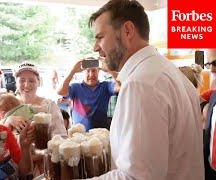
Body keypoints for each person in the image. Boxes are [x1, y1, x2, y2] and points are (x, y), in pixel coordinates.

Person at [88, 0, 203, 179]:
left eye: (100, 37)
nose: (95, 47)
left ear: (127, 30)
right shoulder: (169, 72)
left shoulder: (141, 84)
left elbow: (136, 176)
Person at [6, 62, 67, 177]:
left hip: (43, 167)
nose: (26, 84)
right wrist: (9, 120)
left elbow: (61, 137)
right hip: (13, 170)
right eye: (22, 80)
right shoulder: (8, 105)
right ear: (16, 83)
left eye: (31, 80)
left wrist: (39, 152)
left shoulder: (49, 105)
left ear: (38, 82)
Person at [58, 61, 117, 131]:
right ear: (83, 72)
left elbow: (121, 85)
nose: (91, 74)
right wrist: (73, 71)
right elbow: (60, 91)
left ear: (99, 71)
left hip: (101, 135)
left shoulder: (106, 86)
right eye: (88, 71)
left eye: (94, 70)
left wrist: (110, 70)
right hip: (78, 135)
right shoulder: (75, 87)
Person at [203, 49, 216, 179]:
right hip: (210, 171)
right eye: (208, 64)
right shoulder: (213, 95)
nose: (212, 70)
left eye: (215, 63)